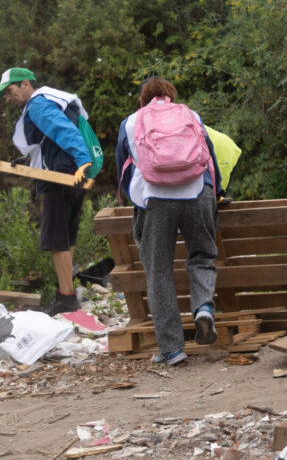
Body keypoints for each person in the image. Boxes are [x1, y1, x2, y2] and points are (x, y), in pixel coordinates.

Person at [115, 78, 222, 366]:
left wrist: (138, 202)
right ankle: (203, 308)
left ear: (142, 99)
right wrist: (215, 195)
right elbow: (210, 160)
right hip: (197, 193)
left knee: (158, 271)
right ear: (171, 95)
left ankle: (172, 349)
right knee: (201, 255)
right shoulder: (191, 115)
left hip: (155, 200)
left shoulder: (131, 122)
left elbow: (124, 173)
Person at [1, 68, 93, 315]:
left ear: (25, 85)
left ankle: (66, 297)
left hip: (59, 178)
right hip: (73, 177)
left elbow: (64, 131)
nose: (7, 99)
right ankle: (68, 294)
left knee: (56, 240)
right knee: (66, 237)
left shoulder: (38, 104)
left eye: (9, 92)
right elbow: (50, 140)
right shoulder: (54, 99)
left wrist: (83, 159)